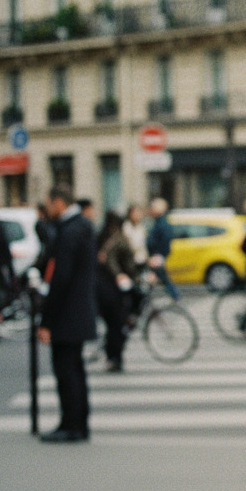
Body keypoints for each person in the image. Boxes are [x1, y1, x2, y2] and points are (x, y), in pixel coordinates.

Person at [38, 184, 98, 443]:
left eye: (49, 204)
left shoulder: (69, 230)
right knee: (76, 370)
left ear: (59, 202)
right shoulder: (83, 226)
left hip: (67, 313)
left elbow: (60, 277)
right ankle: (79, 423)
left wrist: (47, 321)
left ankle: (71, 425)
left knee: (66, 372)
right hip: (80, 310)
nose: (47, 209)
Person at [95, 211, 137, 372]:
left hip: (103, 288)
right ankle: (115, 357)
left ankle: (112, 357)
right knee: (117, 325)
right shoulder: (117, 240)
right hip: (115, 288)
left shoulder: (101, 238)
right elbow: (117, 263)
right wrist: (120, 275)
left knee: (112, 325)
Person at [146, 197, 179, 301]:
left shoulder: (162, 224)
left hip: (156, 257)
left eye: (152, 208)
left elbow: (164, 242)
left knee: (161, 279)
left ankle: (175, 297)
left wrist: (158, 255)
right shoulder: (158, 222)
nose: (150, 210)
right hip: (155, 257)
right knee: (157, 279)